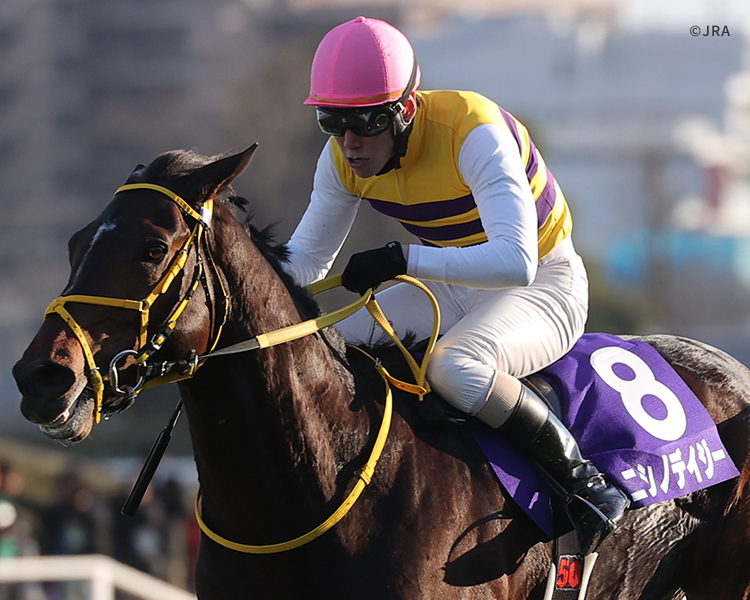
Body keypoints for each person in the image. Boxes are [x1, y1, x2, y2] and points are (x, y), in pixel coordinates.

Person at [283, 16, 629, 555]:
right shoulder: (341, 158)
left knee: (454, 366)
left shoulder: (472, 129)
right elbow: (304, 260)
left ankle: (584, 483)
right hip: (450, 287)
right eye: (333, 121)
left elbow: (516, 263)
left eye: (367, 121)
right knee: (328, 349)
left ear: (406, 109)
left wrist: (401, 258)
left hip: (545, 284)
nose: (349, 143)